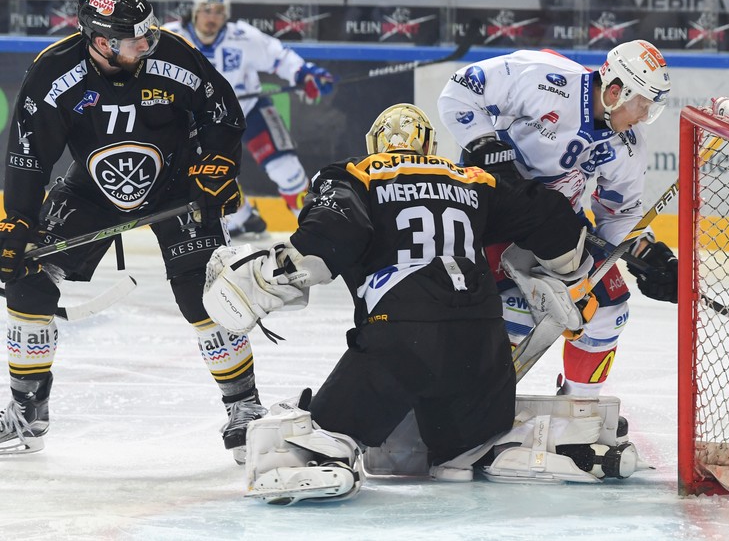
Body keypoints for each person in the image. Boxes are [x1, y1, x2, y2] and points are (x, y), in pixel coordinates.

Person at [202, 104, 606, 502]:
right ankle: (497, 448)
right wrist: (569, 271)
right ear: (429, 146)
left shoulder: (356, 173)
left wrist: (266, 276)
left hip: (402, 336)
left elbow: (334, 233)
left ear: (375, 144)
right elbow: (550, 219)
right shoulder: (473, 179)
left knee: (326, 436)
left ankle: (320, 455)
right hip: (483, 344)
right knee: (467, 449)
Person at [0, 0, 267, 462]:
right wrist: (17, 222)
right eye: (135, 37)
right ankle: (27, 411)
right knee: (27, 279)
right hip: (93, 186)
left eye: (148, 31)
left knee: (204, 293)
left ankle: (245, 408)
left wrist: (217, 165)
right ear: (101, 41)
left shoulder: (172, 55)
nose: (149, 41)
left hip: (179, 181)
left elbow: (221, 110)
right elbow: (27, 156)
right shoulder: (54, 73)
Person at [437, 40, 678, 397]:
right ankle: (468, 408)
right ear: (615, 91)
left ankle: (577, 413)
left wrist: (647, 254)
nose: (644, 115)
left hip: (557, 226)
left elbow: (618, 212)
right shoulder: (544, 78)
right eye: (641, 103)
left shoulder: (627, 145)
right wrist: (484, 144)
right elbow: (459, 91)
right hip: (493, 207)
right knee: (515, 314)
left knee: (609, 311)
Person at [164, 0, 335, 237]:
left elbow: (280, 57)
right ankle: (242, 217)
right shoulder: (172, 38)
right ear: (196, 9)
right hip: (202, 122)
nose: (212, 17)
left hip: (250, 110)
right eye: (207, 9)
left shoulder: (243, 36)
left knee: (286, 170)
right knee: (210, 175)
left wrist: (304, 74)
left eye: (219, 12)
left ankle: (316, 228)